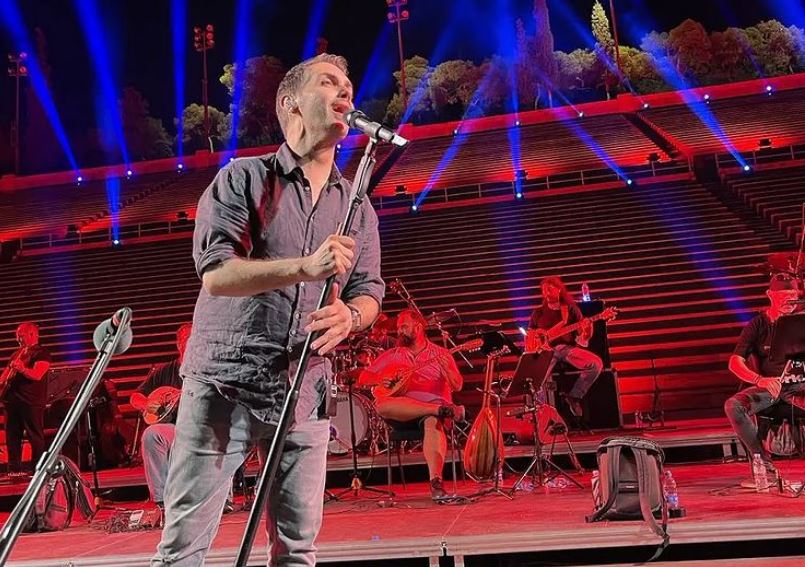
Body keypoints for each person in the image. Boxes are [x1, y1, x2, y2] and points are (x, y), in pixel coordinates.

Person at [152, 53, 383, 567]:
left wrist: (352, 316)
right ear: (290, 105)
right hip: (225, 384)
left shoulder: (357, 206)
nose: (345, 91)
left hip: (305, 388)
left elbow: (369, 290)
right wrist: (305, 267)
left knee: (297, 550)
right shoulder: (243, 179)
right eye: (329, 83)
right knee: (183, 548)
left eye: (348, 85)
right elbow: (216, 274)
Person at [364, 309, 465, 501]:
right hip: (403, 413)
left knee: (431, 421)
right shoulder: (393, 354)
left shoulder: (441, 353)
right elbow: (364, 377)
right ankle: (442, 410)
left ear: (418, 328)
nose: (399, 331)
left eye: (403, 326)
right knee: (381, 405)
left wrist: (447, 369)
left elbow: (458, 385)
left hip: (430, 415)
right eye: (398, 328)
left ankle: (435, 482)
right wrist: (380, 378)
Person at [724, 275, 804, 479]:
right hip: (772, 386)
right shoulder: (758, 324)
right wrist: (760, 380)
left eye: (793, 295)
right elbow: (735, 362)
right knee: (734, 406)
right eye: (783, 295)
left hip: (801, 385)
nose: (789, 300)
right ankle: (763, 464)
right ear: (770, 295)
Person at [129, 323, 191, 508]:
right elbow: (135, 397)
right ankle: (162, 499)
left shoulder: (207, 369)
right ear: (179, 344)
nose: (191, 344)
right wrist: (148, 404)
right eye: (186, 340)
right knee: (151, 434)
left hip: (201, 427)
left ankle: (220, 499)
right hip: (174, 428)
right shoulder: (166, 371)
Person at [525, 276, 603, 418]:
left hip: (567, 349)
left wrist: (587, 329)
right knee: (535, 379)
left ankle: (574, 396)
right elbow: (529, 336)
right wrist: (535, 343)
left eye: (549, 289)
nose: (546, 292)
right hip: (545, 352)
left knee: (596, 364)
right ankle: (541, 414)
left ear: (559, 290)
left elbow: (583, 337)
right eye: (544, 290)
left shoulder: (571, 309)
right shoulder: (538, 313)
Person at [2, 322, 51, 478]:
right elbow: (4, 376)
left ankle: (38, 468)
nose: (18, 339)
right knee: (12, 436)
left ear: (32, 334)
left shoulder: (42, 353)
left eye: (21, 335)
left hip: (31, 401)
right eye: (17, 336)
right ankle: (14, 469)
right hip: (12, 402)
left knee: (34, 435)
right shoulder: (16, 354)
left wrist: (21, 368)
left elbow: (37, 375)